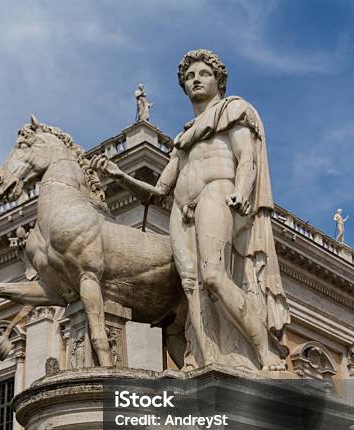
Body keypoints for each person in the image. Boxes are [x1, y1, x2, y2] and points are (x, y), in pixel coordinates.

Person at [91, 49, 289, 370]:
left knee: (213, 275)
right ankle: (205, 360)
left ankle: (264, 350)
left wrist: (240, 191)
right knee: (192, 288)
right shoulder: (183, 138)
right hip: (182, 209)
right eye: (189, 77)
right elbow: (157, 192)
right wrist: (119, 176)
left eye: (203, 74)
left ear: (218, 80)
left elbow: (247, 158)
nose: (195, 80)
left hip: (218, 192)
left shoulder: (232, 110)